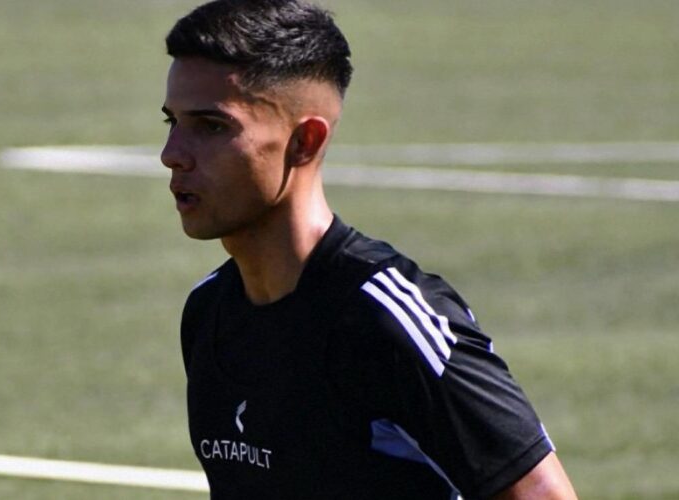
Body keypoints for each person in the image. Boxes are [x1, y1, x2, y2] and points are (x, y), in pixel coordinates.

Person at [160, 0, 577, 498]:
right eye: (173, 123)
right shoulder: (209, 313)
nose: (172, 155)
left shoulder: (385, 320)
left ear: (305, 141)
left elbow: (541, 494)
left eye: (212, 127)